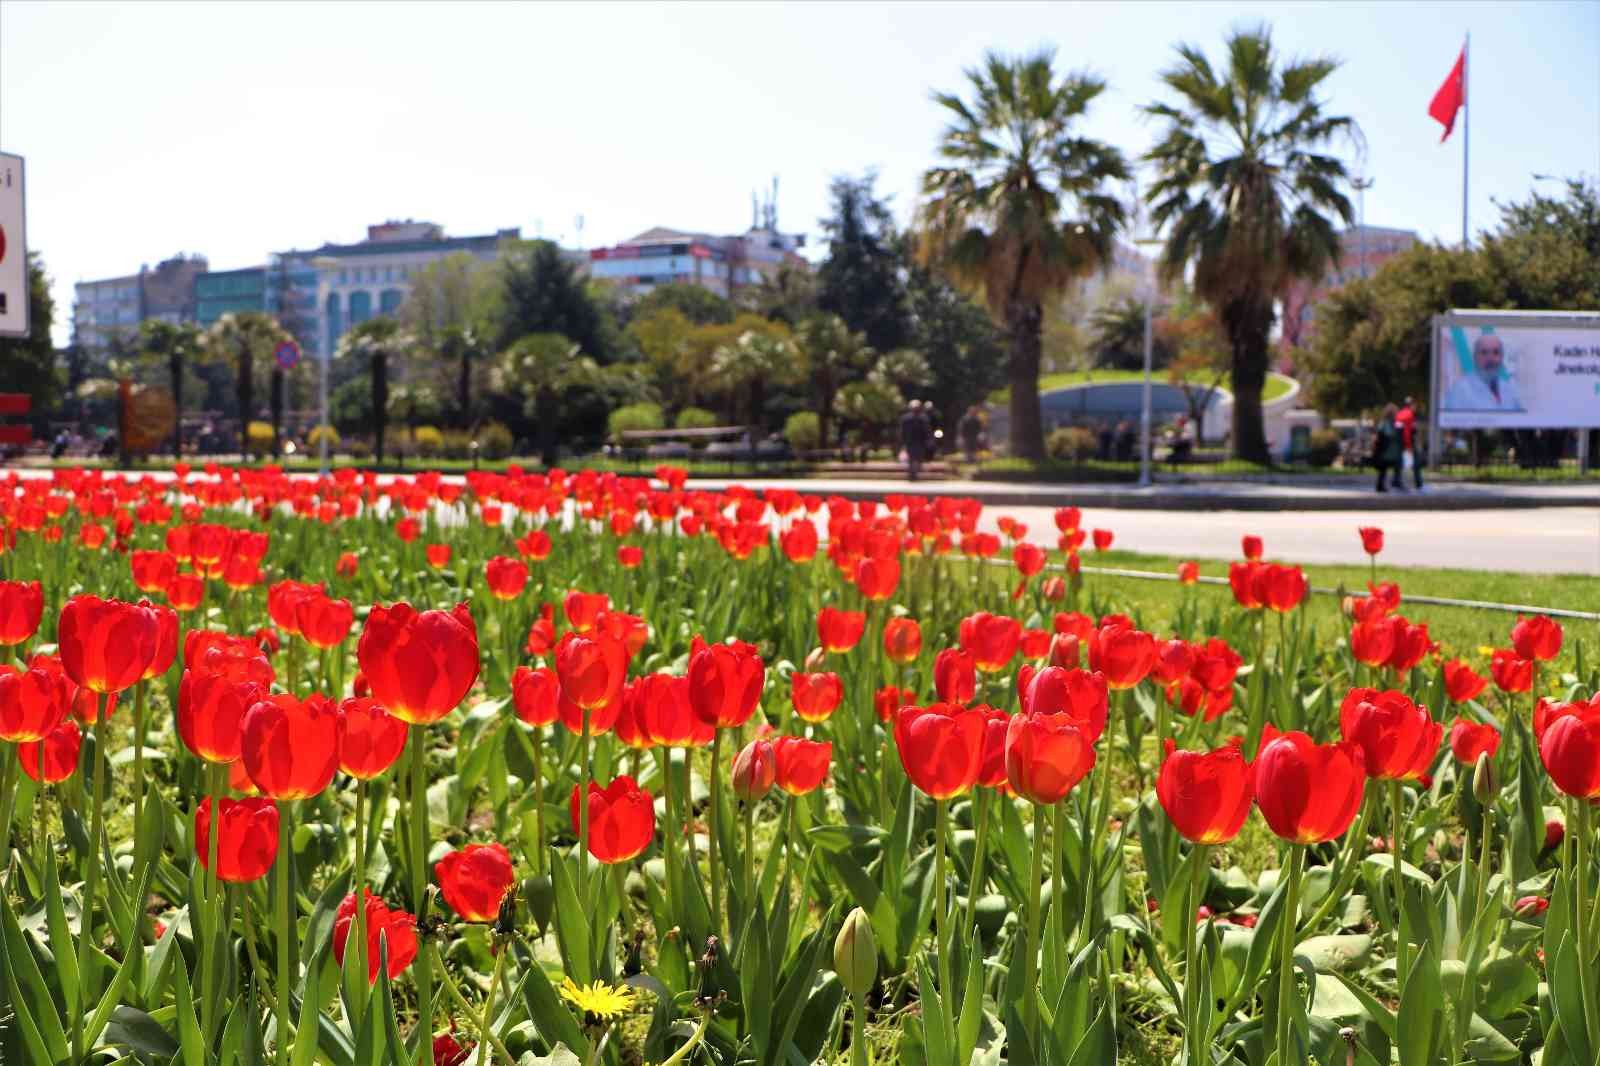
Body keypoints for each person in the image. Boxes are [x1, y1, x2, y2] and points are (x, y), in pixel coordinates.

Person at [1445, 333, 1523, 411]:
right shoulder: (1460, 390)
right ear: (1475, 357)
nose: (1490, 358)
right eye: (1484, 352)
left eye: (1496, 352)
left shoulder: (1509, 388)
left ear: (1502, 357)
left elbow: (1521, 419)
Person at [1371, 403, 1403, 493]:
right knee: (1384, 468)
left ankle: (1387, 484)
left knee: (1387, 468)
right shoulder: (1385, 423)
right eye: (1395, 412)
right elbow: (1383, 435)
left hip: (1391, 451)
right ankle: (1384, 485)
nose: (1397, 414)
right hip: (1386, 451)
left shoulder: (1394, 423)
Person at [1394, 396, 1423, 490]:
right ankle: (1418, 483)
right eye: (1414, 405)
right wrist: (1409, 446)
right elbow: (1407, 432)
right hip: (1407, 443)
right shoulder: (1409, 414)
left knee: (1399, 463)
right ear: (1411, 404)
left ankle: (1396, 481)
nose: (1415, 407)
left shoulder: (1399, 414)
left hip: (1398, 443)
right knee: (1416, 462)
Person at [899, 400, 930, 481]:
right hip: (910, 442)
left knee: (918, 458)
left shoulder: (923, 419)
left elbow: (927, 431)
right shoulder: (906, 419)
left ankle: (915, 472)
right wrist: (902, 442)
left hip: (920, 442)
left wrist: (928, 440)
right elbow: (902, 431)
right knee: (911, 459)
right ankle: (912, 474)